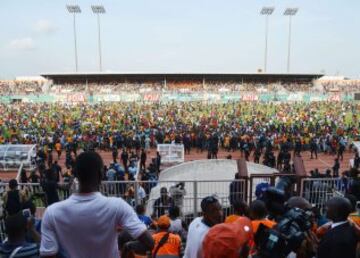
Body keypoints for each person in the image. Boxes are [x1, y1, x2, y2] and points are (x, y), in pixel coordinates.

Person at [40, 152, 154, 258]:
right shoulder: (118, 205)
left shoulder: (52, 212)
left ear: (75, 175)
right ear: (101, 174)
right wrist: (126, 248)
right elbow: (149, 242)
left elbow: (48, 254)